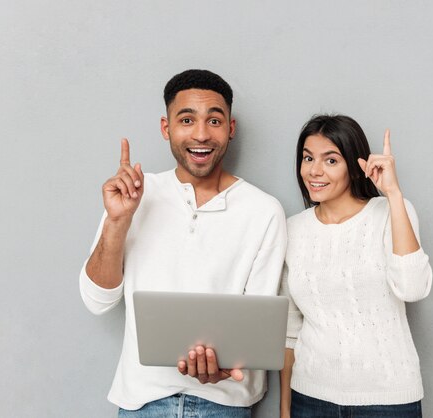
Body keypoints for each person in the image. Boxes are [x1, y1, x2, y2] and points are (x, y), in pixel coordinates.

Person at [79, 69, 287, 417]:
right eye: (187, 119)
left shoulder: (264, 211)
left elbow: (257, 329)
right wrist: (117, 221)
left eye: (215, 120)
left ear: (231, 129)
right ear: (166, 128)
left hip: (226, 404)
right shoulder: (134, 196)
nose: (201, 134)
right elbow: (96, 301)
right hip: (142, 402)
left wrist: (226, 365)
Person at [279, 115, 432, 418]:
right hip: (309, 398)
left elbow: (412, 288)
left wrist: (394, 194)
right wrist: (285, 410)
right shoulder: (292, 229)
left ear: (354, 164)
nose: (314, 170)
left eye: (331, 160)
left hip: (387, 400)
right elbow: (290, 333)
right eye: (308, 158)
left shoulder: (391, 212)